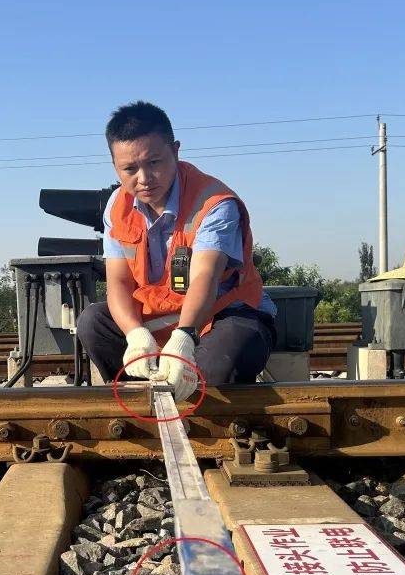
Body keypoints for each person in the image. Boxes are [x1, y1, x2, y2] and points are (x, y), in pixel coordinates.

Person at [76, 101, 277, 401]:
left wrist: (184, 336)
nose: (144, 178)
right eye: (129, 169)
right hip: (160, 318)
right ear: (115, 165)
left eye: (154, 163)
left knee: (223, 359)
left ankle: (202, 410)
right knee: (93, 322)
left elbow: (205, 277)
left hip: (223, 314)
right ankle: (141, 398)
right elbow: (118, 282)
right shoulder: (117, 206)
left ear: (175, 151)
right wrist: (135, 333)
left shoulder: (214, 203)